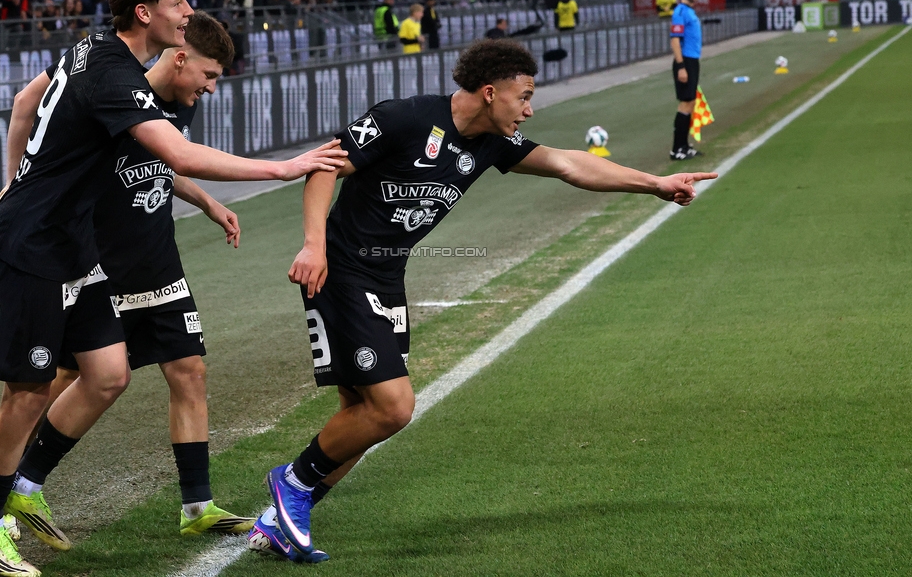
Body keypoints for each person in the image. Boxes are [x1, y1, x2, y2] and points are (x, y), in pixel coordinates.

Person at [0, 0, 346, 577]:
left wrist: (16, 180)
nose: (187, 13)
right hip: (30, 249)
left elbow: (34, 102)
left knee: (109, 373)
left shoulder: (98, 50)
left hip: (73, 248)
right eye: (177, 3)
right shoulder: (114, 71)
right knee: (27, 393)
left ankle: (26, 487)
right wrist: (284, 166)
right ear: (145, 13)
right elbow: (177, 152)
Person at [258, 38, 716, 559]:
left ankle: (279, 519)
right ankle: (292, 485)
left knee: (359, 415)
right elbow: (325, 166)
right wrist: (313, 245)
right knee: (393, 408)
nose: (529, 108)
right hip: (341, 266)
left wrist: (654, 183)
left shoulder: (492, 144)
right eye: (523, 97)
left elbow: (570, 164)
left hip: (387, 276)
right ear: (490, 91)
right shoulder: (404, 118)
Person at [669, 0, 703, 160]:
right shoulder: (680, 12)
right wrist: (681, 66)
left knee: (690, 102)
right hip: (685, 61)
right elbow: (674, 39)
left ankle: (684, 145)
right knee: (685, 103)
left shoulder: (689, 11)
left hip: (692, 60)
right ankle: (676, 149)